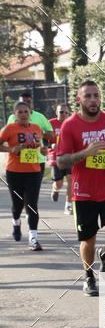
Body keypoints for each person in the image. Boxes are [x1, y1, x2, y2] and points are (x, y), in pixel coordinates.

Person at [57, 80, 105, 297]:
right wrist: (84, 153)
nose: (93, 100)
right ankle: (88, 277)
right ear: (79, 99)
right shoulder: (70, 125)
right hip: (83, 192)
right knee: (87, 239)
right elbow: (61, 161)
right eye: (87, 96)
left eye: (96, 95)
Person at [0, 100, 46, 249]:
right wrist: (11, 150)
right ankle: (16, 222)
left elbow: (38, 147)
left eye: (26, 111)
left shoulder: (37, 128)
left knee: (32, 205)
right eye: (20, 112)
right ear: (15, 114)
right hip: (14, 172)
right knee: (17, 205)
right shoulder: (9, 128)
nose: (23, 114)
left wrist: (43, 150)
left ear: (30, 113)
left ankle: (33, 238)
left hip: (34, 172)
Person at [7, 91, 54, 215]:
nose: (25, 104)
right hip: (18, 161)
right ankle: (21, 215)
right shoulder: (12, 118)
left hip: (37, 159)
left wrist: (37, 132)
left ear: (31, 103)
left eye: (28, 102)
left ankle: (31, 219)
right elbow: (8, 135)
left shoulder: (40, 117)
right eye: (22, 101)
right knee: (19, 198)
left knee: (31, 197)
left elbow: (50, 133)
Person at [48, 103, 73, 213]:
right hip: (55, 156)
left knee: (71, 180)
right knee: (59, 183)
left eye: (66, 112)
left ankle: (68, 205)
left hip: (70, 156)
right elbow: (43, 139)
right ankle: (55, 189)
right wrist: (51, 145)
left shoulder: (73, 124)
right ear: (56, 113)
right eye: (61, 112)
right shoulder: (50, 123)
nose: (63, 114)